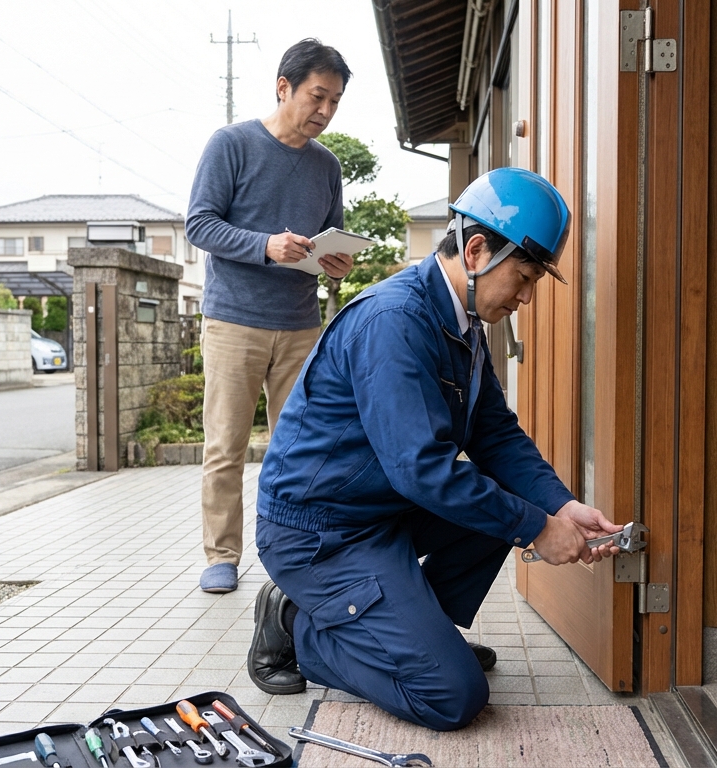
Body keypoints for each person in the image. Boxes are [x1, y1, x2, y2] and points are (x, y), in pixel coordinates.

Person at [246, 168, 622, 730]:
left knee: (502, 513)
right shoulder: (393, 321)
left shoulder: (462, 325)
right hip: (320, 532)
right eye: (522, 278)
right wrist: (538, 528)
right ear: (475, 251)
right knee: (451, 697)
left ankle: (413, 640)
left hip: (378, 511)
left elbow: (495, 433)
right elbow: (423, 471)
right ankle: (299, 625)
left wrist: (561, 508)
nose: (524, 297)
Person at [185, 39, 355, 594]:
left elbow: (332, 251)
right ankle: (221, 555)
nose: (325, 111)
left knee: (303, 449)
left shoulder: (327, 167)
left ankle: (295, 554)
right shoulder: (231, 144)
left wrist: (335, 264)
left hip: (302, 324)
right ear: (284, 87)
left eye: (334, 101)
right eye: (317, 96)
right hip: (235, 320)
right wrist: (266, 245)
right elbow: (199, 225)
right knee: (226, 445)